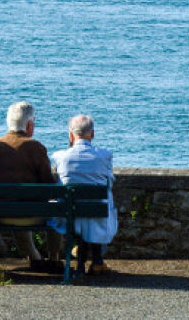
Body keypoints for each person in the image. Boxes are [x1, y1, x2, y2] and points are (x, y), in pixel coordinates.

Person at [0, 101, 58, 264]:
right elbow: (48, 184)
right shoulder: (36, 147)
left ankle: (34, 256)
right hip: (31, 215)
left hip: (1, 214)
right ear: (30, 124)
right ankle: (54, 258)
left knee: (15, 202)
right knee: (57, 208)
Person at [50, 115, 118, 275]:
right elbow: (110, 182)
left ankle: (81, 263)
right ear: (92, 134)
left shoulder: (60, 156)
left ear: (70, 135)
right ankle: (97, 262)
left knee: (82, 215)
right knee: (96, 211)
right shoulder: (104, 155)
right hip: (97, 213)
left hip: (68, 215)